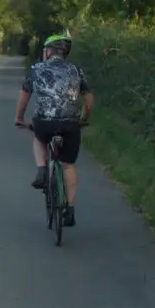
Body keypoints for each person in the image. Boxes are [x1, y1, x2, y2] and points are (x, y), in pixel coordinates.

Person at [15, 31, 95, 226]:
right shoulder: (76, 70)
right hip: (70, 123)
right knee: (68, 165)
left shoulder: (36, 69)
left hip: (44, 122)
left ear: (49, 52)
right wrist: (84, 119)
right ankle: (70, 209)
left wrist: (19, 118)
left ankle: (42, 169)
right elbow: (89, 101)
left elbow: (24, 97)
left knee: (39, 137)